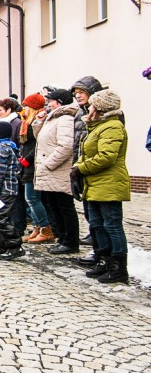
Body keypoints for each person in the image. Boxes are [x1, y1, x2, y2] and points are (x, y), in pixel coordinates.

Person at [74, 90, 130, 284]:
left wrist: (80, 169)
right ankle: (104, 259)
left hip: (109, 183)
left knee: (112, 225)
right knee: (97, 224)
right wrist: (77, 168)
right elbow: (86, 153)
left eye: (92, 105)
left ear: (99, 108)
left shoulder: (112, 127)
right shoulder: (97, 127)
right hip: (95, 183)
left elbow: (107, 156)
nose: (88, 108)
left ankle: (118, 268)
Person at [33, 89, 79, 254]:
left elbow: (66, 145)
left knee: (64, 207)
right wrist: (38, 122)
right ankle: (62, 238)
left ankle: (70, 241)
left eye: (50, 100)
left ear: (58, 102)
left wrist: (49, 164)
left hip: (58, 171)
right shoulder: (53, 118)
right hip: (49, 171)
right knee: (52, 205)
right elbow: (42, 141)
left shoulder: (65, 119)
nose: (47, 103)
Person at [69, 76, 104, 264]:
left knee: (103, 219)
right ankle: (98, 251)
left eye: (82, 92)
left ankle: (105, 255)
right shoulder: (79, 114)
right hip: (81, 167)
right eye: (76, 94)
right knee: (91, 215)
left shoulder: (104, 114)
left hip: (96, 171)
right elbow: (78, 144)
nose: (78, 96)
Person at [0, 121, 24, 260]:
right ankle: (4, 246)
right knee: (1, 217)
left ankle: (15, 247)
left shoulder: (2, 147)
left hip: (5, 189)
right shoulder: (8, 146)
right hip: (8, 188)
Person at [20, 93, 54, 244]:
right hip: (28, 165)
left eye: (26, 107)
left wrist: (26, 160)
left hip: (33, 165)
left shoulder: (37, 122)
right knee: (31, 199)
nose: (23, 110)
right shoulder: (26, 122)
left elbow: (38, 145)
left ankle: (45, 229)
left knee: (33, 198)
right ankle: (37, 227)